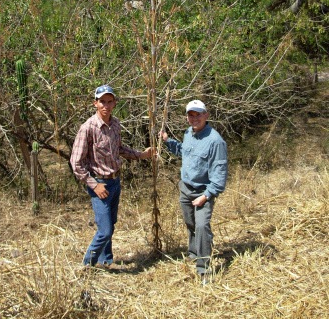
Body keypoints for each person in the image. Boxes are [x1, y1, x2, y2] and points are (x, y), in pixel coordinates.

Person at [70, 84, 152, 269]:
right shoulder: (88, 128)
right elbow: (76, 163)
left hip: (115, 181)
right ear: (95, 103)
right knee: (105, 230)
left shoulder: (115, 124)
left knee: (110, 224)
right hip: (100, 184)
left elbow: (119, 149)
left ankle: (105, 260)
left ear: (114, 103)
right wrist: (94, 185)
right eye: (102, 102)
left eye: (109, 101)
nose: (106, 105)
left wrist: (141, 155)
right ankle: (87, 266)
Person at [160, 99, 228, 284]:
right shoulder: (188, 134)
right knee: (190, 224)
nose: (195, 118)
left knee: (201, 226)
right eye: (191, 114)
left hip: (203, 192)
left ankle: (203, 269)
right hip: (185, 188)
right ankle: (194, 252)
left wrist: (206, 196)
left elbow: (219, 175)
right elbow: (184, 152)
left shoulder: (215, 141)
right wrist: (167, 141)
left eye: (198, 114)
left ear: (206, 115)